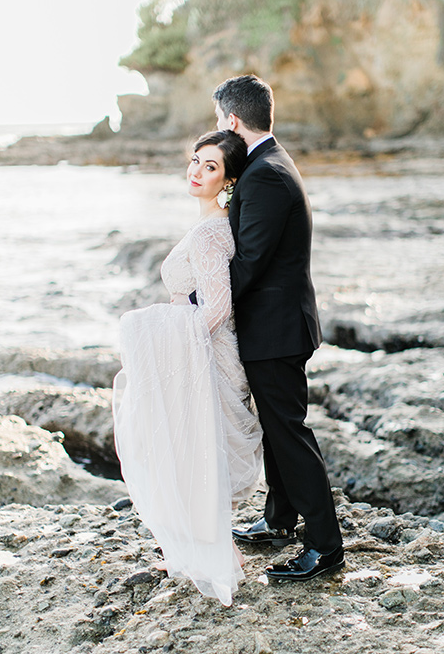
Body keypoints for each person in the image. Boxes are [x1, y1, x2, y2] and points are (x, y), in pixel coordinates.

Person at [112, 130, 263, 607]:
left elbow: (217, 306)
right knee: (201, 443)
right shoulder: (213, 225)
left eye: (211, 166)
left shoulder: (210, 232)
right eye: (196, 161)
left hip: (207, 351)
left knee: (204, 444)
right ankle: (214, 547)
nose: (197, 171)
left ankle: (222, 551)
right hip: (203, 347)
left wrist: (161, 328)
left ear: (229, 180)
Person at [213, 75, 344, 581]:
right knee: (276, 428)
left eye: (218, 119)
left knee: (289, 434)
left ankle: (326, 548)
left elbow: (249, 261)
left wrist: (202, 302)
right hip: (278, 323)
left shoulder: (264, 174)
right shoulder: (269, 163)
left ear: (232, 120)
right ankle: (280, 521)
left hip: (276, 328)